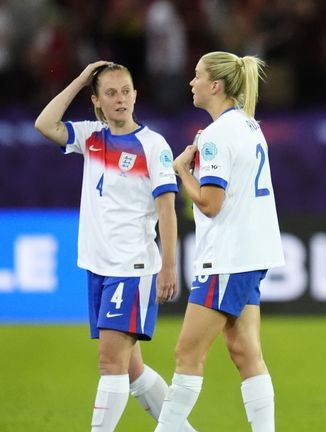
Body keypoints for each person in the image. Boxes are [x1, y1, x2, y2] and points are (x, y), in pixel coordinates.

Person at [34, 61, 194, 431]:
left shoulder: (154, 146)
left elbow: (167, 208)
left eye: (126, 91)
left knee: (110, 363)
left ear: (136, 95)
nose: (120, 99)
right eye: (111, 92)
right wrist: (77, 78)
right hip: (98, 266)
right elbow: (45, 124)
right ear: (97, 101)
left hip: (131, 267)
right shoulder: (91, 137)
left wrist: (169, 265)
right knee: (132, 369)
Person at [155, 51, 285, 432]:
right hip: (253, 251)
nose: (191, 83)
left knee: (187, 352)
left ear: (215, 85)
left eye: (197, 76)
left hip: (228, 257)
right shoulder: (249, 125)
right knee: (245, 351)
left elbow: (211, 204)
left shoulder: (214, 136)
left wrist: (181, 172)